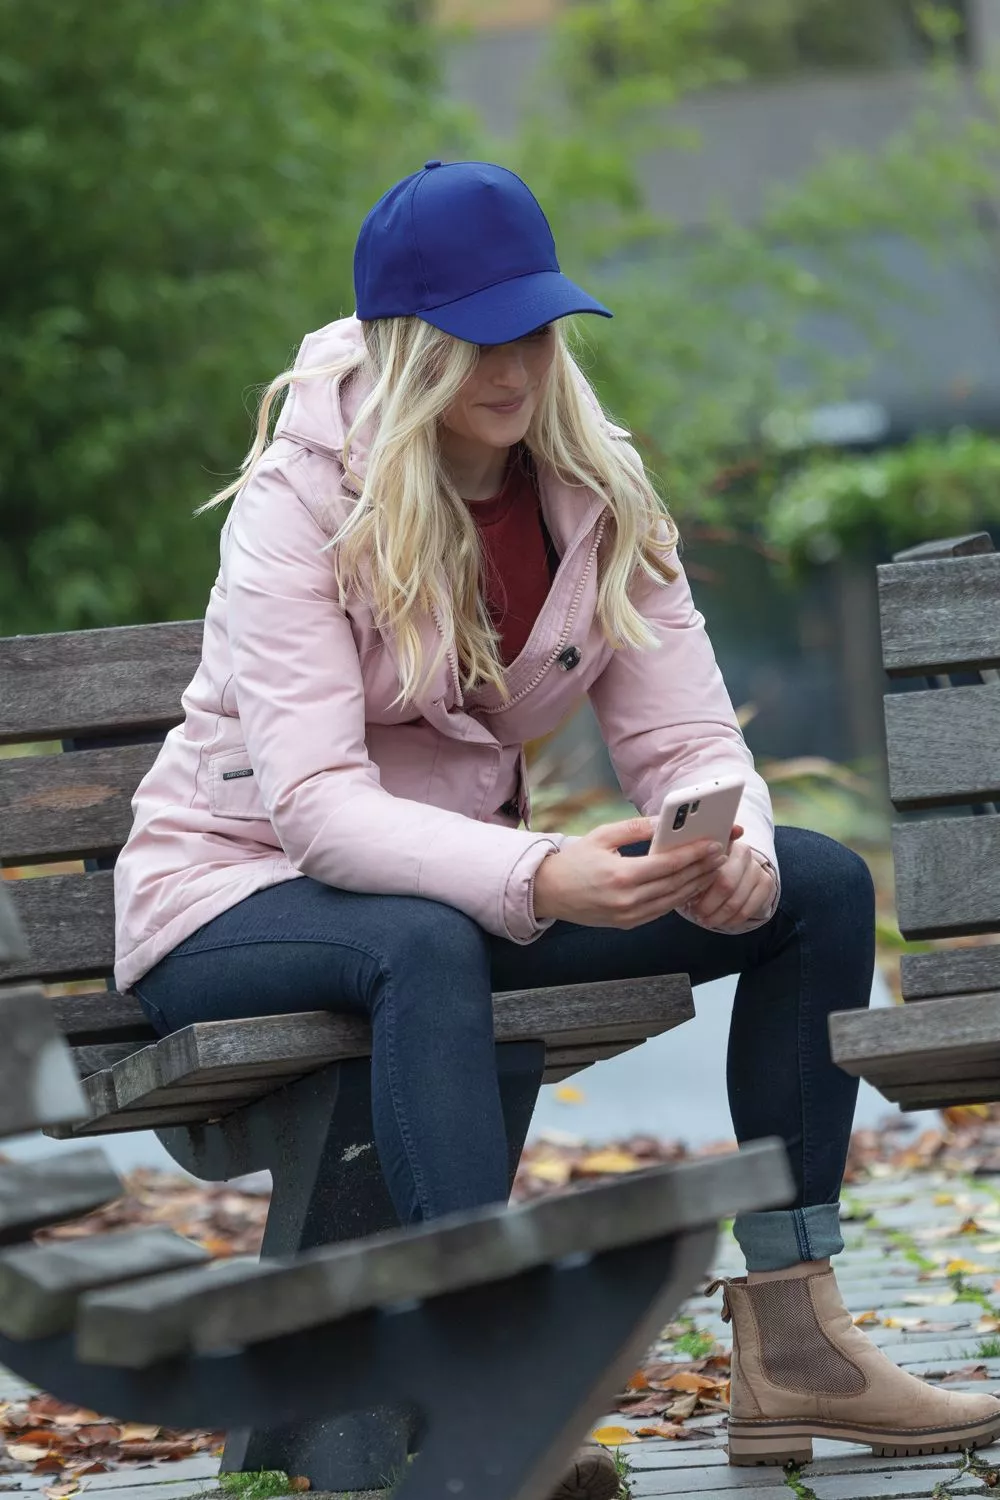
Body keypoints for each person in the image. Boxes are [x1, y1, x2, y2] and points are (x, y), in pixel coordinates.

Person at [113, 161, 1000, 1495]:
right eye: (479, 334)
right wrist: (541, 873)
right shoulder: (299, 502)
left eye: (534, 326)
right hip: (231, 895)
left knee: (816, 890)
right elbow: (317, 810)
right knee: (418, 945)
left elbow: (689, 739)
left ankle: (798, 1336)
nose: (515, 363)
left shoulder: (595, 488)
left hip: (453, 896)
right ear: (409, 341)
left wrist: (734, 846)